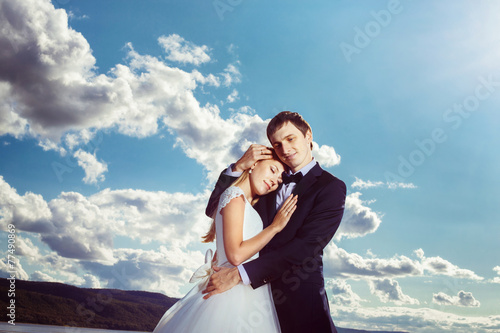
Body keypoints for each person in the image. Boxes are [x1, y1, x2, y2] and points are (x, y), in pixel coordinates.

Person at [203, 111, 346, 333]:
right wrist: (239, 166)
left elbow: (306, 247)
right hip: (247, 303)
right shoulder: (268, 179)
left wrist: (240, 274)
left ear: (308, 136)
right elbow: (215, 208)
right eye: (277, 144)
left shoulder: (331, 187)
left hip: (298, 303)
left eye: (291, 139)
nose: (285, 149)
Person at [153, 151, 297, 332]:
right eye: (272, 170)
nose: (274, 181)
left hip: (247, 288)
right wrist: (275, 227)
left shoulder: (244, 201)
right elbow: (236, 255)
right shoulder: (234, 196)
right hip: (231, 294)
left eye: (278, 180)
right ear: (253, 164)